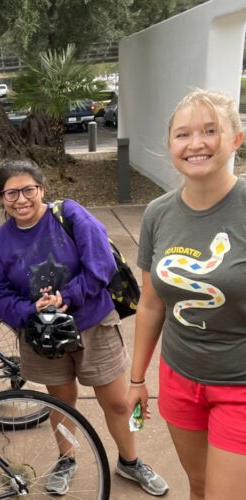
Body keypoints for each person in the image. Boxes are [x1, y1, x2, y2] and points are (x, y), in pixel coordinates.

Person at [0, 160, 169, 496]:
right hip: (44, 334)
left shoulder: (69, 215)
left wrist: (67, 297)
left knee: (115, 402)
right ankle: (66, 459)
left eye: (29, 189)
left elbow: (102, 264)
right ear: (1, 198)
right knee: (62, 402)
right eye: (11, 193)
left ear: (42, 189)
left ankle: (130, 461)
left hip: (92, 323)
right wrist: (30, 311)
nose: (21, 199)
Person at [127, 89, 246, 500]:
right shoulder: (158, 213)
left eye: (210, 130)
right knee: (198, 487)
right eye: (183, 134)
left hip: (240, 386)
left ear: (236, 139)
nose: (196, 143)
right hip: (179, 381)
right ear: (170, 145)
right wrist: (137, 379)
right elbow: (151, 303)